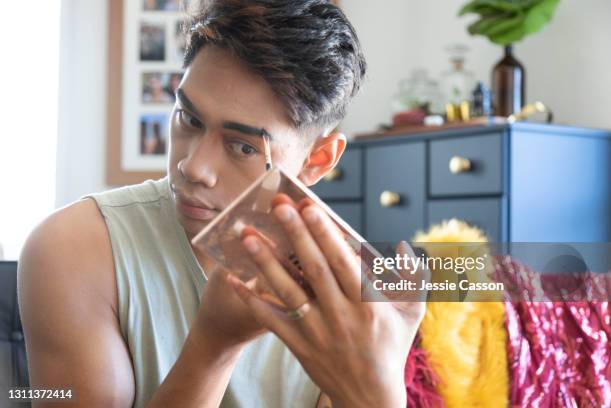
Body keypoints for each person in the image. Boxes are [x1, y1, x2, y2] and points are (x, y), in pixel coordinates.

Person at [18, 1, 425, 407]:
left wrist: (380, 390)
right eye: (189, 119)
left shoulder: (346, 293)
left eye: (243, 146)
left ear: (316, 161)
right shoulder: (69, 248)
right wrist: (214, 347)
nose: (193, 167)